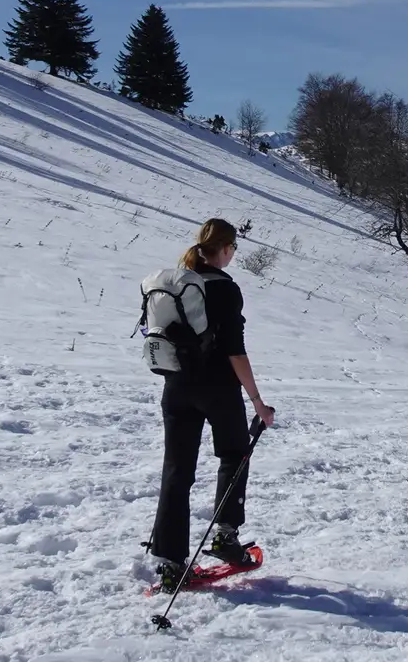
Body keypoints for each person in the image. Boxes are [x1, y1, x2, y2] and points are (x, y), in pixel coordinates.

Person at [147, 219, 277, 591]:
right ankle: (225, 535)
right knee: (235, 455)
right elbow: (235, 350)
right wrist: (258, 402)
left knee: (176, 471)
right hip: (218, 387)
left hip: (176, 387)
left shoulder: (176, 284)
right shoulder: (225, 289)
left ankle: (170, 562)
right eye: (233, 249)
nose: (233, 255)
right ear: (224, 248)